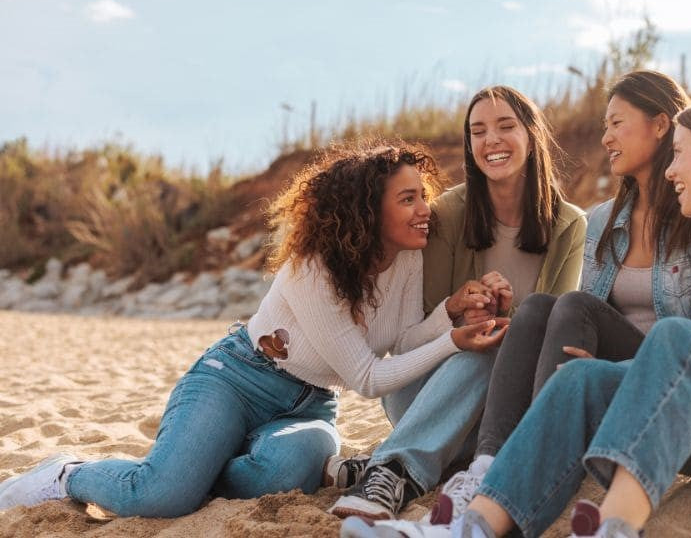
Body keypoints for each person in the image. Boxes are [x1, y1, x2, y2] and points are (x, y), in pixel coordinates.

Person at [346, 92, 691, 537]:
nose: (672, 170)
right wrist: (630, 376)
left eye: (680, 153)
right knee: (580, 377)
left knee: (679, 340)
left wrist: (648, 373)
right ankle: (472, 529)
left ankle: (614, 528)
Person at [0, 143, 507, 518]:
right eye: (408, 199)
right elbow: (367, 378)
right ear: (369, 209)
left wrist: (449, 315)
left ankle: (196, 465)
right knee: (161, 496)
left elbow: (399, 342)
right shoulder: (315, 266)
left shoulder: (405, 259)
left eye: (423, 196)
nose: (425, 211)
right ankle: (69, 473)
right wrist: (452, 341)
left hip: (311, 401)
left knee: (290, 473)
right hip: (238, 378)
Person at [422, 70, 691, 525]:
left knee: (568, 303)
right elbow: (586, 316)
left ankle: (526, 469)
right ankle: (488, 465)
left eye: (616, 123)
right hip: (606, 373)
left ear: (660, 124)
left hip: (664, 374)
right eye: (604, 125)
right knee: (537, 306)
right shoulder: (602, 222)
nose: (605, 136)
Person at [327, 86, 587, 520]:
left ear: (532, 134)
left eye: (506, 126)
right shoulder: (448, 213)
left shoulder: (569, 225)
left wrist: (508, 316)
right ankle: (396, 467)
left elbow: (553, 332)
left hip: (503, 413)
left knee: (495, 340)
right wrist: (454, 310)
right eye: (478, 131)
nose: (492, 141)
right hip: (422, 392)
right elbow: (410, 340)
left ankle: (387, 467)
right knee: (481, 341)